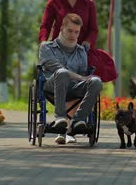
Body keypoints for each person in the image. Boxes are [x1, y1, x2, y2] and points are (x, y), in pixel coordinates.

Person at [39, 13, 103, 145]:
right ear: (62, 28)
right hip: (52, 85)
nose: (73, 35)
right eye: (69, 30)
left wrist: (86, 79)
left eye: (76, 32)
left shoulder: (81, 52)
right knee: (61, 72)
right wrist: (81, 77)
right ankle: (60, 118)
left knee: (96, 81)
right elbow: (57, 68)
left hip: (73, 88)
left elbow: (83, 77)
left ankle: (78, 120)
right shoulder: (46, 47)